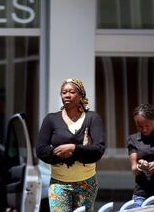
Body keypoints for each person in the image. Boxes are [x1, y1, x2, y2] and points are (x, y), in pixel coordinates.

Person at [36, 78, 106, 212]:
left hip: (86, 183)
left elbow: (99, 149)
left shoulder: (92, 118)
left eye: (72, 92)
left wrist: (74, 149)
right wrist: (62, 154)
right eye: (64, 92)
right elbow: (40, 150)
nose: (67, 95)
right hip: (59, 184)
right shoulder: (51, 119)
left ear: (81, 95)